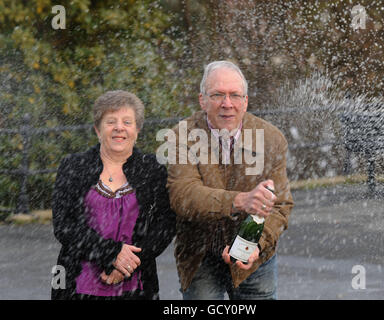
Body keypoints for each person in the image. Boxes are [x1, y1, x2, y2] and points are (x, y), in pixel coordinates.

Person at [166, 61, 294, 300]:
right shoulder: (181, 136)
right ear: (202, 100)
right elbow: (184, 196)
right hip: (200, 255)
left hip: (255, 259)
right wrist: (240, 200)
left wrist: (257, 245)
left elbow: (280, 205)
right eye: (217, 95)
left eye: (235, 95)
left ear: (245, 101)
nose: (227, 104)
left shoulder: (271, 138)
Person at [51, 90, 176, 300]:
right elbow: (63, 225)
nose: (119, 127)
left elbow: (165, 224)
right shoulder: (73, 166)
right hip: (74, 282)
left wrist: (128, 262)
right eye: (111, 121)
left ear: (137, 130)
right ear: (97, 130)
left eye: (127, 121)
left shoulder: (153, 169)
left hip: (137, 283)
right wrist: (111, 253)